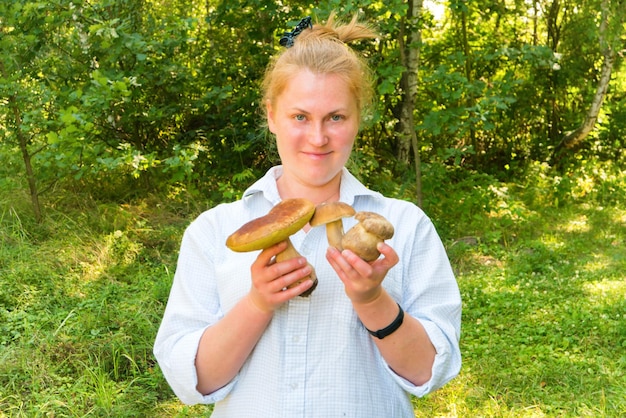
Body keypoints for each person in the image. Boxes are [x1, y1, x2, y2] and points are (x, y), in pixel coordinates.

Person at [154, 13, 461, 417]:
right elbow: (195, 383)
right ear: (271, 115)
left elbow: (428, 373)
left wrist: (372, 299)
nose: (318, 138)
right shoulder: (213, 230)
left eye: (336, 117)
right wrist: (258, 303)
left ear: (357, 119)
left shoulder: (406, 226)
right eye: (300, 116)